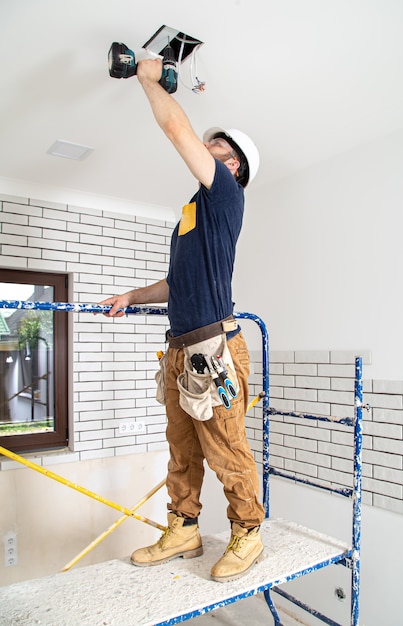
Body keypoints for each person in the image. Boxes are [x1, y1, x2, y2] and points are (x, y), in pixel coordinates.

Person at [99, 56, 265, 583]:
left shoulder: (225, 194)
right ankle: (184, 528)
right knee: (183, 449)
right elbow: (176, 284)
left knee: (227, 448)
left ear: (232, 164)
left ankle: (248, 533)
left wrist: (148, 79)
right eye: (209, 142)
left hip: (214, 347)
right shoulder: (192, 216)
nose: (207, 145)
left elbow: (176, 127)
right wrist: (133, 294)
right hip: (179, 349)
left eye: (217, 145)